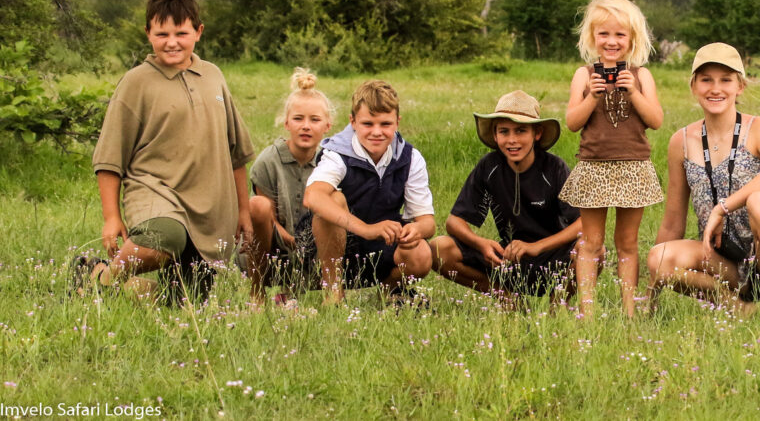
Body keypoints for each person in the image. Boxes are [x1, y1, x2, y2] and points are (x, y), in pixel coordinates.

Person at [77, 0, 255, 304]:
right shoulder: (136, 82)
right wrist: (111, 217)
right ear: (148, 34)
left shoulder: (213, 76)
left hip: (210, 208)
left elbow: (236, 153)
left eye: (181, 33)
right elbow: (109, 158)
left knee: (184, 302)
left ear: (198, 32)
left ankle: (111, 284)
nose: (172, 42)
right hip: (156, 191)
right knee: (163, 237)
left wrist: (243, 211)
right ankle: (101, 280)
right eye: (162, 34)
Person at [647, 42, 760, 319]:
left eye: (726, 80)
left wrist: (721, 208)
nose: (715, 89)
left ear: (740, 86)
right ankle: (736, 306)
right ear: (693, 86)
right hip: (727, 261)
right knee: (659, 256)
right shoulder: (680, 142)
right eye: (706, 80)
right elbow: (672, 222)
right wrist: (653, 290)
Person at [560, 0, 664, 318]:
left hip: (634, 167)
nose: (611, 41)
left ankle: (629, 311)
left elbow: (656, 120)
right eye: (604, 33)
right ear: (592, 36)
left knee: (627, 243)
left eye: (620, 34)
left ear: (632, 38)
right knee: (591, 241)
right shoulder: (583, 74)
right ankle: (587, 313)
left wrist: (633, 91)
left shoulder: (641, 75)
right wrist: (591, 96)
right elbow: (572, 123)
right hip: (594, 167)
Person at [430, 91, 581, 306]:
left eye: (521, 131)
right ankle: (508, 299)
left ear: (537, 133)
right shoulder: (489, 166)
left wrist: (536, 247)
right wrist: (481, 244)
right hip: (507, 258)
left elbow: (583, 223)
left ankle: (556, 307)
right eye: (504, 131)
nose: (512, 140)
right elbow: (454, 222)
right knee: (439, 248)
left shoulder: (554, 168)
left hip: (552, 257)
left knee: (593, 250)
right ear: (495, 135)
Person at [302, 80, 434, 303]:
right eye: (367, 124)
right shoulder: (337, 153)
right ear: (353, 122)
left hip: (382, 243)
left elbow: (428, 222)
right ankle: (333, 293)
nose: (377, 132)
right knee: (332, 199)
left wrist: (416, 230)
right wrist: (366, 229)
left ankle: (389, 291)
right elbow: (312, 196)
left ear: (397, 122)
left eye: (385, 124)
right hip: (331, 246)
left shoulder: (409, 157)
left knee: (421, 253)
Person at [241, 67, 334, 305]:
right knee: (257, 205)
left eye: (315, 120)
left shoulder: (331, 162)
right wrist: (293, 241)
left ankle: (330, 293)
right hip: (273, 247)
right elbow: (266, 218)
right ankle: (257, 291)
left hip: (315, 249)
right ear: (286, 123)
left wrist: (309, 244)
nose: (306, 126)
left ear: (327, 125)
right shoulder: (267, 161)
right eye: (298, 119)